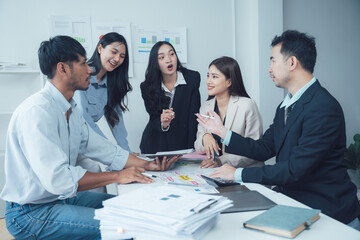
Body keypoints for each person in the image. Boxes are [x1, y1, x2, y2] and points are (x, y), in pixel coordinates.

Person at [0, 35, 179, 240]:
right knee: (127, 227)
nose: (90, 69)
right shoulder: (37, 112)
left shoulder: (71, 109)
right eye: (84, 63)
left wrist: (149, 165)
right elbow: (59, 179)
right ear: (63, 69)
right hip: (30, 213)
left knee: (132, 209)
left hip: (59, 199)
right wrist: (117, 176)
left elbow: (103, 149)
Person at [196, 30, 360, 228]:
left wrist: (237, 173)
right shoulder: (286, 105)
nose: (269, 69)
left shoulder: (323, 107)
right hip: (295, 205)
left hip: (328, 214)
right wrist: (222, 132)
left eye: (273, 61)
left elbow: (295, 169)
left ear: (292, 63)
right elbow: (264, 149)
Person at [194, 56, 263, 169]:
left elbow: (256, 150)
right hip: (215, 171)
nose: (208, 81)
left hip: (245, 172)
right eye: (208, 76)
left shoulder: (247, 105)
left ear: (229, 81)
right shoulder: (205, 107)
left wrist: (221, 161)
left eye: (214, 77)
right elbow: (198, 146)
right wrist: (204, 137)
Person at [74, 32, 133, 153]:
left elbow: (116, 121)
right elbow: (84, 119)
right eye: (114, 52)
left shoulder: (112, 83)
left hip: (86, 142)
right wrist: (114, 152)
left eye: (122, 56)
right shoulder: (82, 76)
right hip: (70, 139)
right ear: (100, 48)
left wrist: (127, 153)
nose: (117, 59)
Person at [140, 41, 201, 154]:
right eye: (162, 57)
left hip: (183, 142)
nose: (169, 60)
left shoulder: (192, 78)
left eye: (171, 54)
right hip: (156, 143)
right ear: (155, 62)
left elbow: (193, 117)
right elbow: (153, 118)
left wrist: (192, 150)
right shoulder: (147, 86)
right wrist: (162, 122)